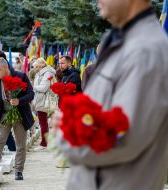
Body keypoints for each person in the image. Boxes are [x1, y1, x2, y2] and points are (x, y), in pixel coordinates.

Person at [51, 0, 168, 190]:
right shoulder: (122, 41)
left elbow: (125, 139)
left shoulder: (146, 51)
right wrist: (74, 118)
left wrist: (67, 135)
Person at [31, 58, 56, 151]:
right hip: (41, 100)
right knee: (43, 122)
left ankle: (44, 144)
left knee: (43, 123)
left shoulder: (47, 73)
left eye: (36, 66)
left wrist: (33, 87)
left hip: (44, 100)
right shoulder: (41, 73)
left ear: (41, 66)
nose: (35, 68)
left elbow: (43, 88)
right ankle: (45, 143)